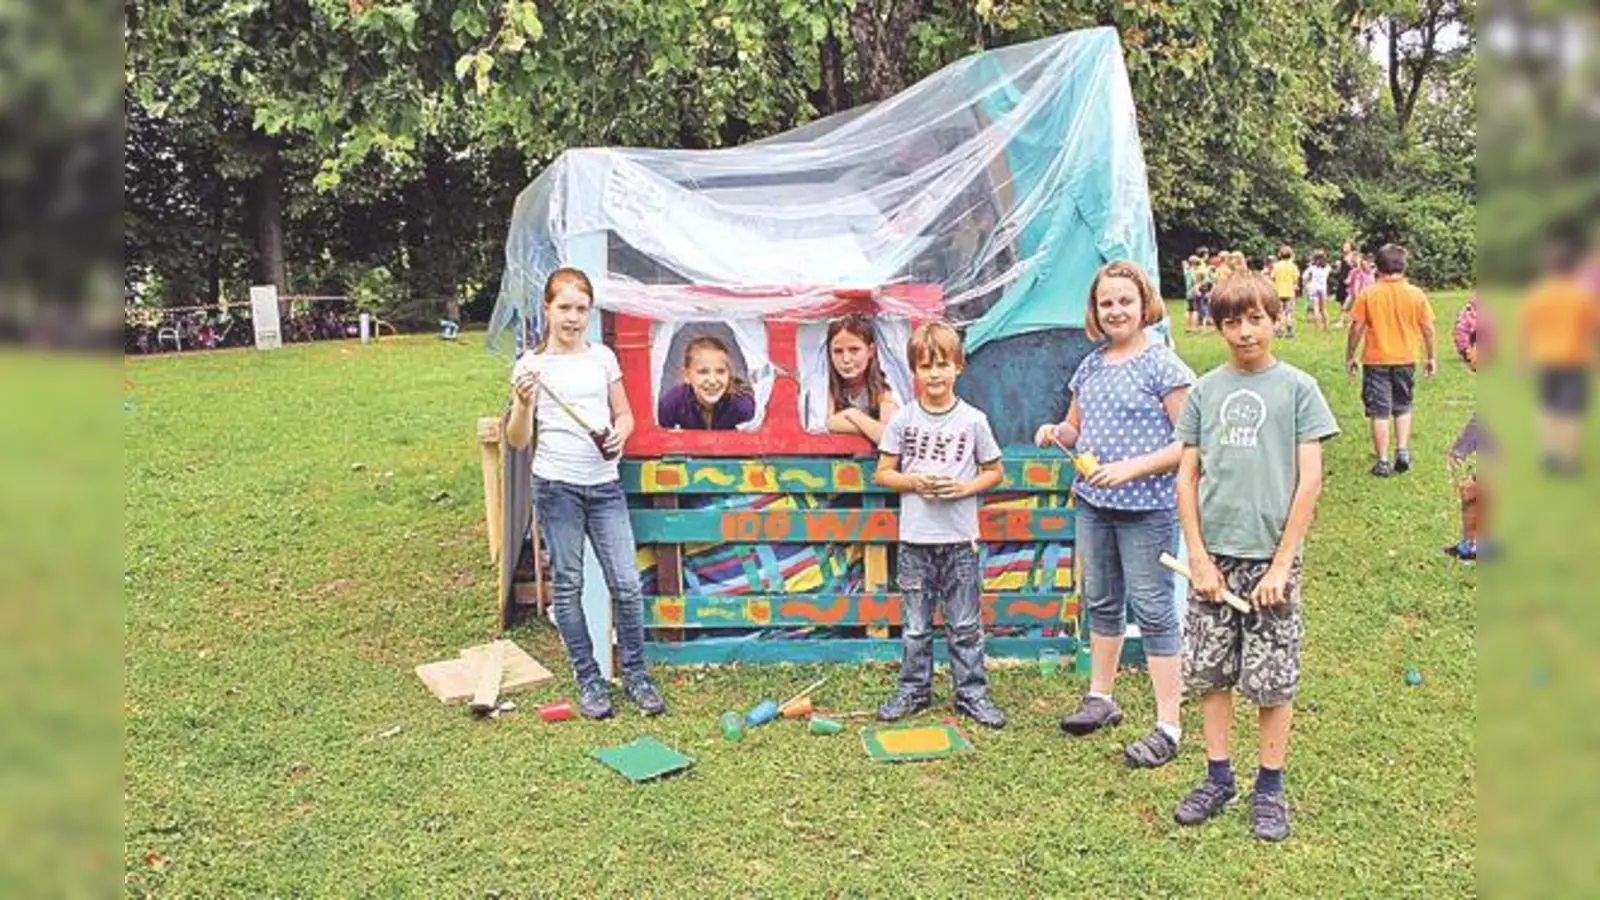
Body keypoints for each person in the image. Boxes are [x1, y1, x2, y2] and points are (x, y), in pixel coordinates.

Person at [1171, 272, 1339, 842]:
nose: (1245, 332)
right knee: (1210, 673)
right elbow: (1186, 478)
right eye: (1232, 322)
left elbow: (1310, 481)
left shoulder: (1299, 389)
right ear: (1217, 327)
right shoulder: (1204, 392)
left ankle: (1270, 787)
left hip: (1271, 562)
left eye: (1256, 319)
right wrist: (1197, 556)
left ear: (1276, 319)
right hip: (1213, 561)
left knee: (1273, 679)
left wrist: (1281, 564)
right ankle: (1218, 777)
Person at [1032, 261, 1195, 767]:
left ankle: (1169, 724)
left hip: (1147, 509)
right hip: (1095, 504)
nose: (1116, 310)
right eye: (1106, 303)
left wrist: (1131, 469)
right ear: (1095, 311)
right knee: (1102, 601)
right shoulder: (1091, 365)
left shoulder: (1163, 365)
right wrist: (1056, 433)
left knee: (1152, 608)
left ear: (1144, 304)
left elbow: (1190, 444)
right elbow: (1076, 429)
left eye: (1125, 300)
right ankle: (1100, 698)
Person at [506, 267, 666, 719]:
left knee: (627, 585)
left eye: (581, 309)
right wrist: (523, 402)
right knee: (568, 586)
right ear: (547, 309)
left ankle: (635, 675)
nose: (572, 318)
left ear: (590, 312)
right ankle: (589, 678)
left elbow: (625, 415)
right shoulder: (531, 367)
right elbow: (518, 439)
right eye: (564, 308)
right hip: (556, 487)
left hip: (605, 485)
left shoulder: (603, 358)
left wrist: (620, 434)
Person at [874, 321, 1007, 729]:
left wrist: (965, 488)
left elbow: (995, 472)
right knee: (915, 626)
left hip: (960, 540)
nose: (934, 374)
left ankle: (972, 693)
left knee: (965, 624)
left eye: (942, 364)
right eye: (925, 366)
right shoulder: (903, 420)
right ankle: (914, 689)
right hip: (915, 540)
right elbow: (883, 473)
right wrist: (914, 482)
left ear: (958, 367)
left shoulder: (973, 420)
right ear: (914, 370)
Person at [1345, 243, 1437, 477]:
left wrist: (1350, 355)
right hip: (1406, 358)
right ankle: (1402, 451)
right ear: (1404, 267)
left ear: (1377, 267)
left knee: (1379, 411)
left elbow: (1356, 328)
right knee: (1403, 405)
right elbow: (1428, 328)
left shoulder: (1369, 294)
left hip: (1376, 360)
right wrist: (1431, 357)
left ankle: (1383, 461)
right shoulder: (1416, 294)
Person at [1518, 242, 1600, 475]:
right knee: (1571, 412)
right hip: (1574, 360)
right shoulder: (1582, 296)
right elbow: (1595, 328)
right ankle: (1569, 459)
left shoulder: (1538, 295)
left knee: (1548, 407)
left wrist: (1522, 358)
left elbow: (1527, 329)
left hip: (1545, 359)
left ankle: (1548, 453)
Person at [822, 314, 901, 443]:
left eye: (854, 350)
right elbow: (830, 423)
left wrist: (853, 414)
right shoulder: (828, 385)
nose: (846, 359)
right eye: (838, 351)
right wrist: (872, 428)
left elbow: (890, 437)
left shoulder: (882, 388)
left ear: (870, 351)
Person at [657, 335, 757, 430]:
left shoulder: (742, 406)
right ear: (686, 375)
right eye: (703, 372)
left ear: (729, 374)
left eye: (720, 371)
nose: (712, 381)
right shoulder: (672, 403)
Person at [1271, 246, 1300, 339]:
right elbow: (1296, 278)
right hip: (1289, 292)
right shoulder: (1293, 266)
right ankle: (1290, 331)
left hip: (1278, 292)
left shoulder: (1276, 266)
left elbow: (1273, 277)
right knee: (1289, 312)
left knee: (1279, 312)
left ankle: (1278, 330)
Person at [1303, 249, 1332, 332]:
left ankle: (1319, 327)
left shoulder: (1312, 268)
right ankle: (1327, 327)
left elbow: (1304, 276)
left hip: (1314, 289)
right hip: (1323, 289)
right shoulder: (1327, 268)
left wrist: (1306, 284)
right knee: (1324, 309)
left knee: (1316, 308)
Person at [1331, 242, 1355, 325]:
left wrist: (1349, 262)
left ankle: (1346, 320)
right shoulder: (1342, 256)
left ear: (1351, 247)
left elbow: (1355, 267)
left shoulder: (1353, 256)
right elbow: (1341, 269)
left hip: (1349, 282)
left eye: (1347, 246)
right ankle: (1343, 319)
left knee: (1348, 302)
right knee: (1341, 300)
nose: (1344, 247)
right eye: (1344, 246)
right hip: (1341, 280)